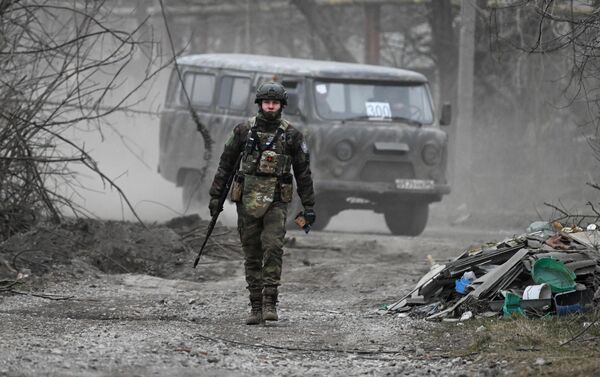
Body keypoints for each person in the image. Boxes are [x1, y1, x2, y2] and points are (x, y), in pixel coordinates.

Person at [208, 81, 316, 325]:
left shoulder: (292, 135)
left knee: (273, 246)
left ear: (281, 105)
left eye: (275, 102)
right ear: (259, 103)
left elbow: (303, 172)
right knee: (251, 251)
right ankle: (255, 305)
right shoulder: (243, 131)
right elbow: (225, 164)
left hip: (277, 199)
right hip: (247, 197)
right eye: (267, 102)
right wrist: (215, 197)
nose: (270, 106)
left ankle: (270, 302)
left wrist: (308, 205)